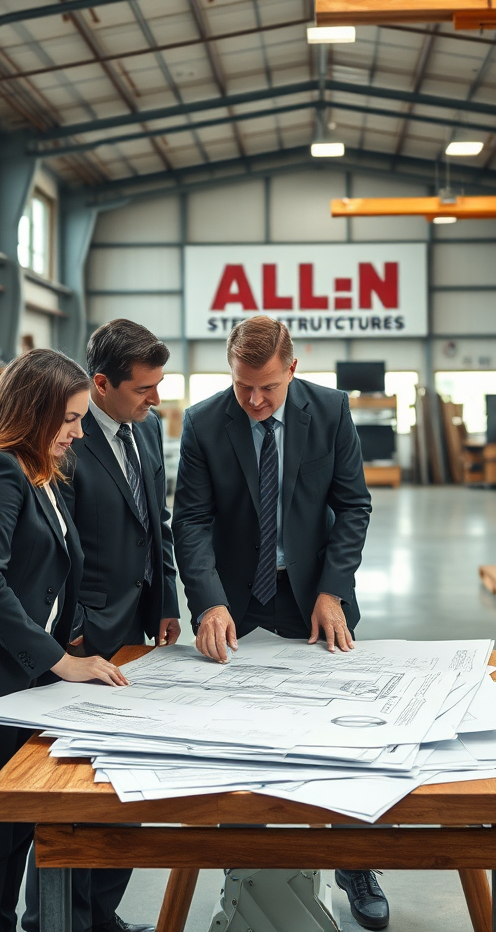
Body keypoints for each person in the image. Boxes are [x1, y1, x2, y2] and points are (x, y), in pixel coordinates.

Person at [172, 316, 389, 931]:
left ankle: (354, 862)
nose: (254, 400)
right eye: (242, 385)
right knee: (237, 740)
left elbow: (353, 505)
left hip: (314, 600)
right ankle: (245, 867)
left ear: (293, 368)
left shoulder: (331, 411)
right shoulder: (205, 422)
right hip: (235, 606)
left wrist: (332, 590)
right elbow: (190, 520)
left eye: (267, 386)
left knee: (340, 739)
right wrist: (208, 602)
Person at [0, 348, 128, 932]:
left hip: (16, 676)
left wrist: (73, 639)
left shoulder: (39, 470)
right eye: (69, 419)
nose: (77, 432)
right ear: (32, 413)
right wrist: (60, 661)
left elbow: (46, 571)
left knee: (13, 830)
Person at [22, 319, 180, 932]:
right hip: (85, 636)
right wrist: (76, 629)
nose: (156, 399)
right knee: (74, 785)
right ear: (102, 383)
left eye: (158, 385)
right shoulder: (65, 440)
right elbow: (55, 540)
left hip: (137, 627)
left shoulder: (148, 429)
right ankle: (53, 917)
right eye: (144, 388)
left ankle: (100, 916)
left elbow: (155, 521)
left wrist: (166, 600)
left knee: (128, 780)